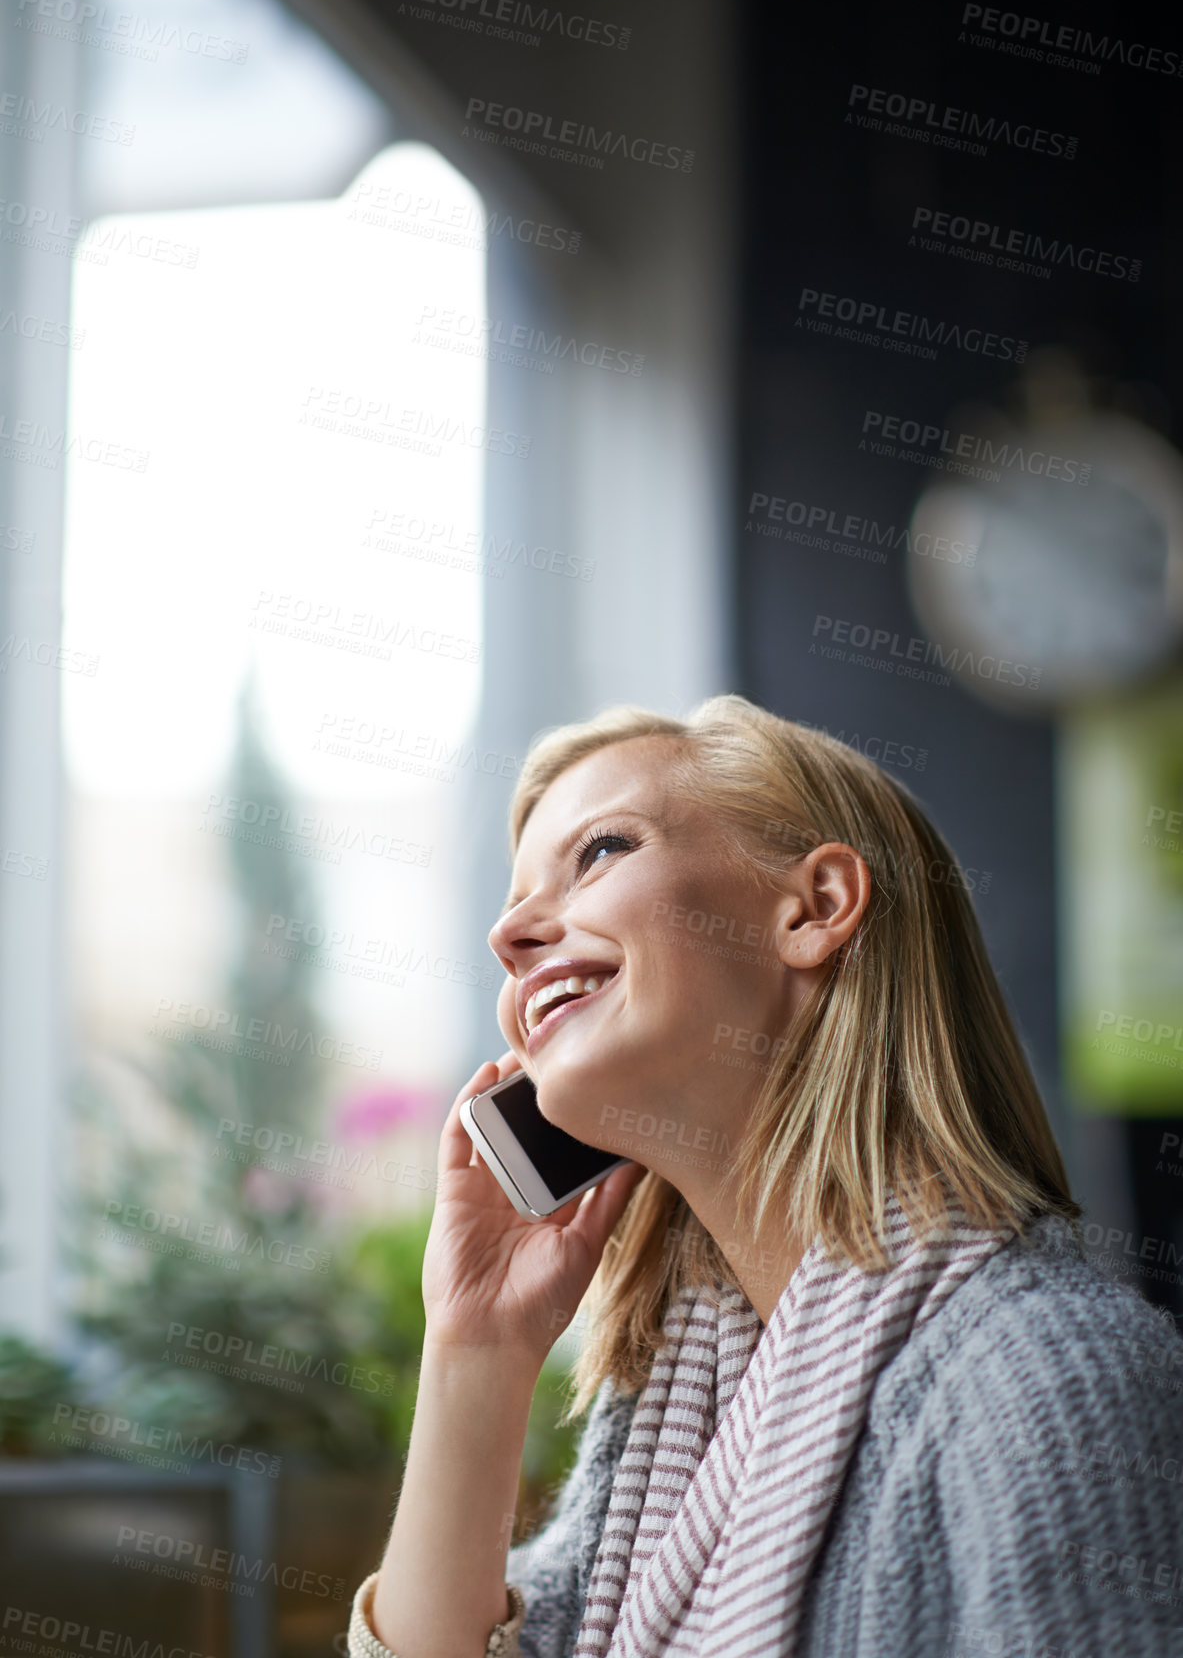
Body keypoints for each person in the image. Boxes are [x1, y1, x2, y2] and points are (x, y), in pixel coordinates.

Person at [347, 694, 1183, 1658]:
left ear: (815, 908)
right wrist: (477, 1347)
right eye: (510, 906)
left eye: (601, 851)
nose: (511, 937)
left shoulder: (1047, 1375)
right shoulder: (667, 1437)